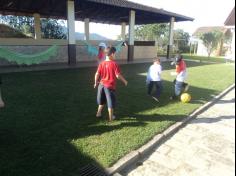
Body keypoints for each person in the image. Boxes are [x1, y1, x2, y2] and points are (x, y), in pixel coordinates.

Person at [94, 47, 128, 121]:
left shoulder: (101, 63)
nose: (115, 55)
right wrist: (124, 81)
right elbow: (118, 75)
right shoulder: (114, 64)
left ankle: (98, 113)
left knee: (102, 100)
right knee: (110, 102)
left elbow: (97, 74)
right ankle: (111, 118)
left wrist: (95, 82)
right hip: (109, 87)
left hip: (101, 85)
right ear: (112, 54)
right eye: (115, 54)